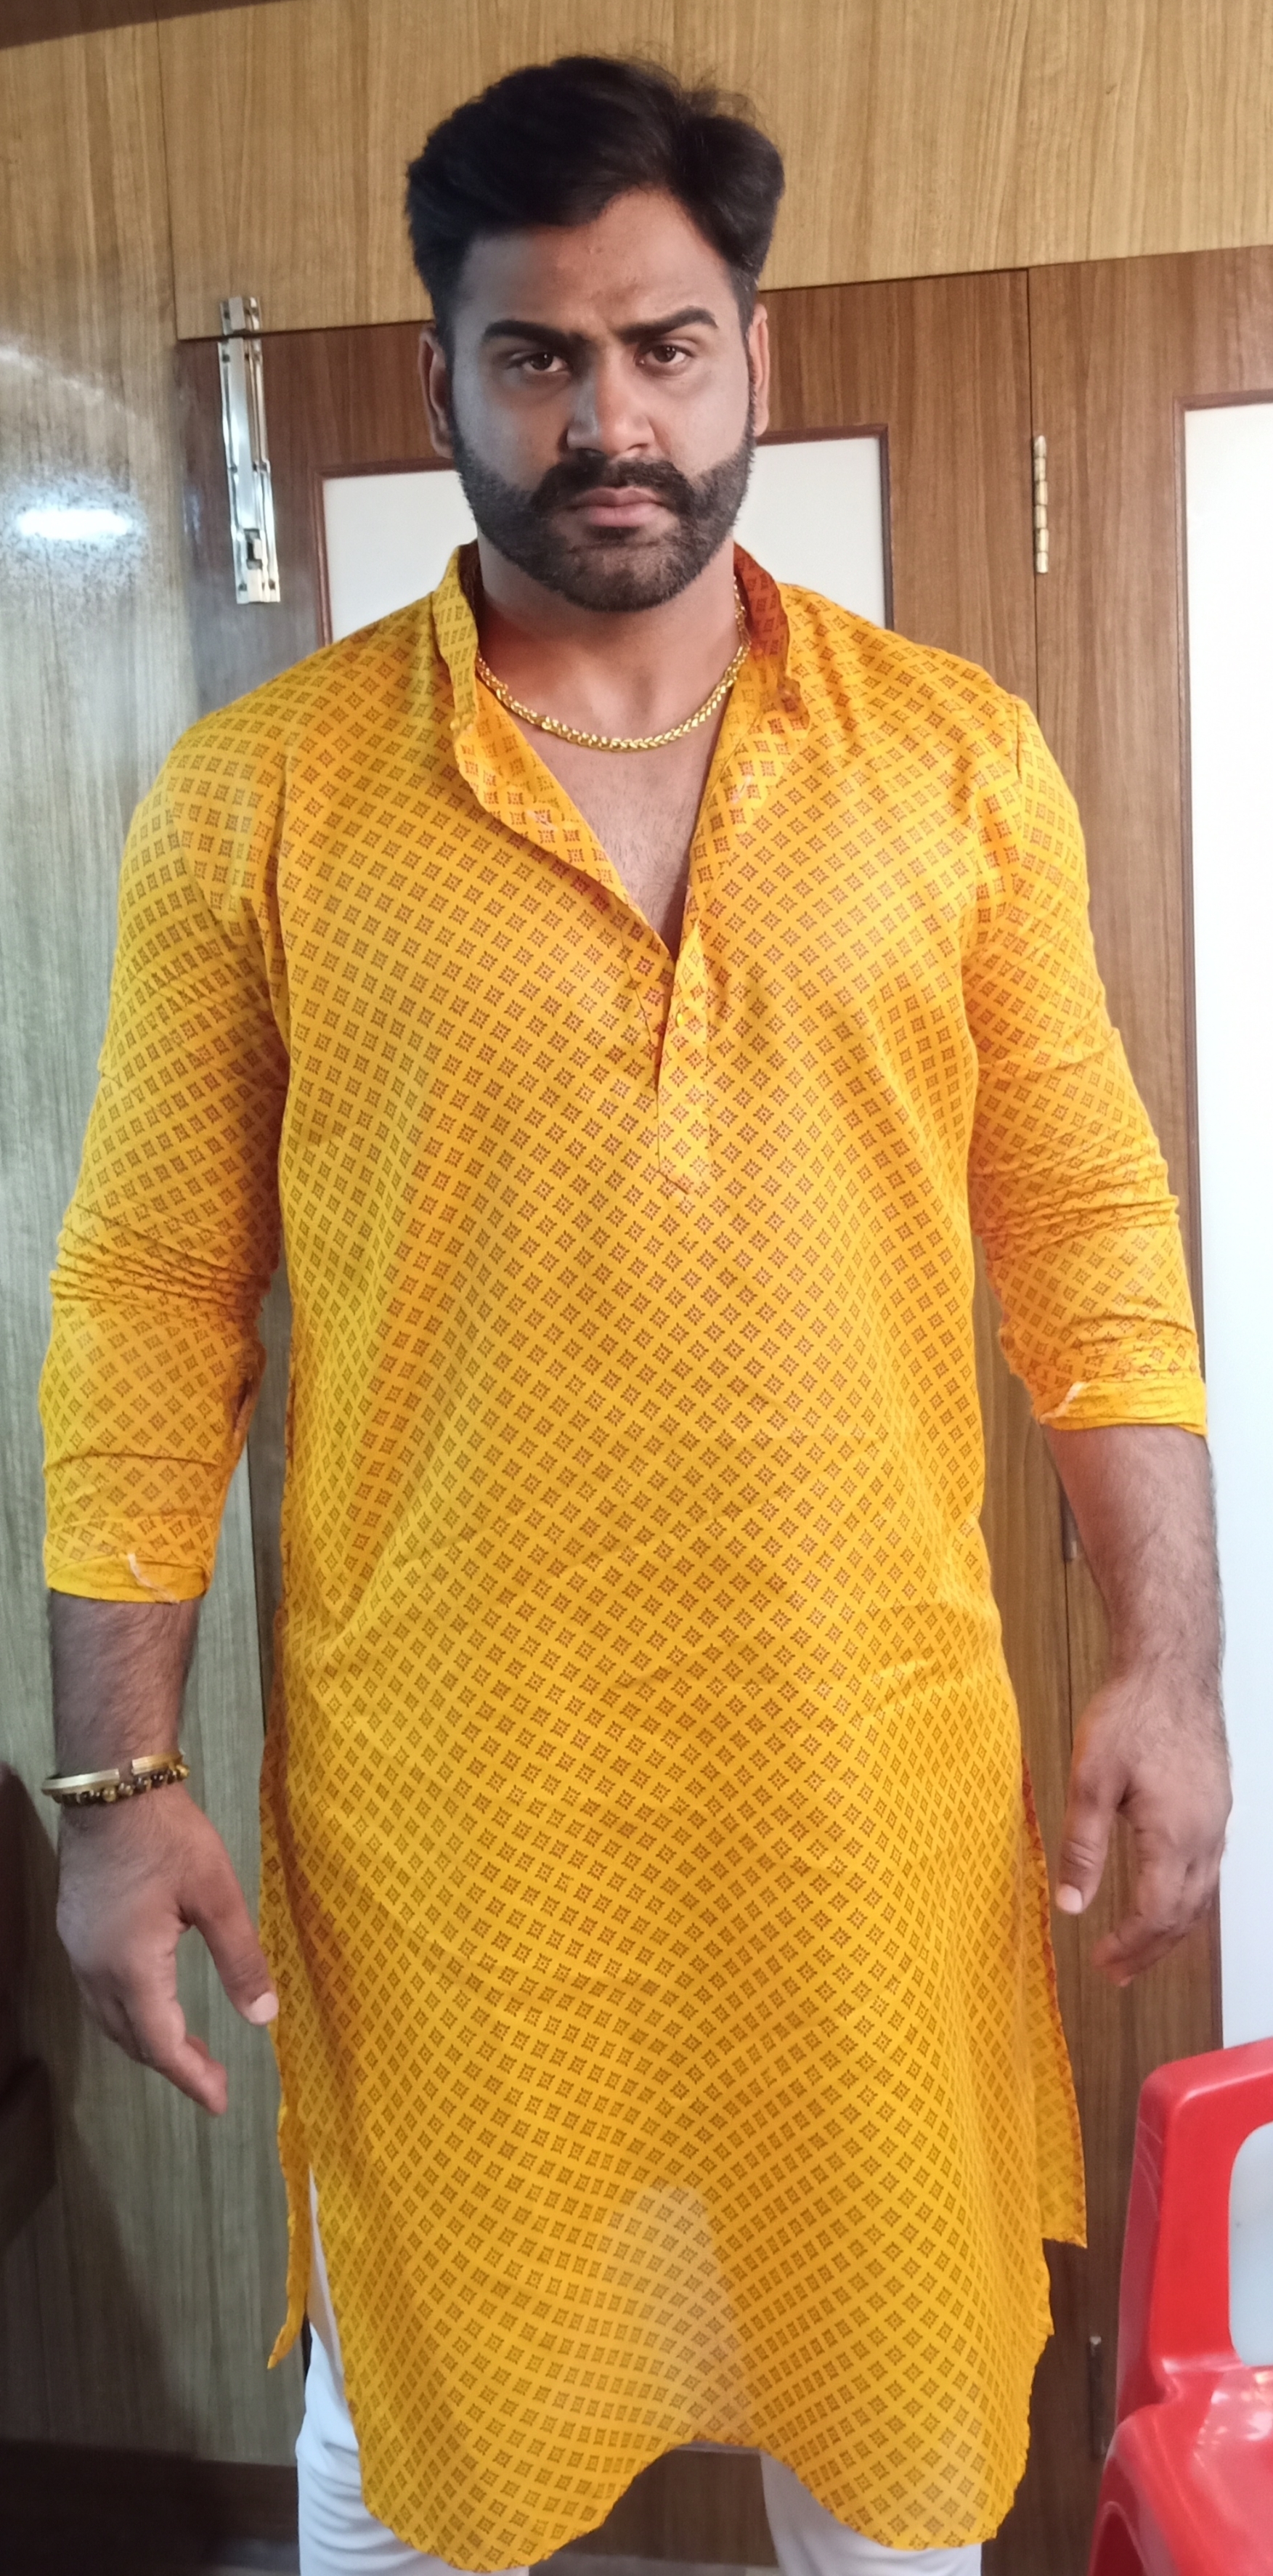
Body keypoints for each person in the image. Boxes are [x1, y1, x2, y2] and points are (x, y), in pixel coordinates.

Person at [41, 52, 1229, 2576]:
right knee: (424, 2464)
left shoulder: (955, 765)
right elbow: (149, 1302)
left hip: (861, 1800)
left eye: (664, 345)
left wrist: (1169, 1658)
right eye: (538, 355)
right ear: (445, 376)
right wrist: (116, 1782)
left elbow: (1091, 1236)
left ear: (752, 354)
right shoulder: (263, 799)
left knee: (887, 2463)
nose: (610, 419)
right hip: (457, 1828)